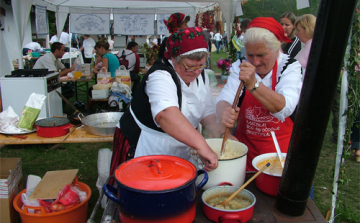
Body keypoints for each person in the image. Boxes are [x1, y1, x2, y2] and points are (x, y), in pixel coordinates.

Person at [110, 27, 223, 178]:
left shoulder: (201, 76)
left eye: (201, 65)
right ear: (175, 58)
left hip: (182, 145)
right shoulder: (160, 75)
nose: (196, 72)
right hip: (148, 146)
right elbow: (166, 115)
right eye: (190, 67)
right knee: (145, 191)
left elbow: (207, 112)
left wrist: (220, 133)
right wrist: (201, 145)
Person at [216, 17, 303, 171]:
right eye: (250, 55)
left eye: (261, 55)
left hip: (281, 156)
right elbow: (225, 98)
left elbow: (285, 108)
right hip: (246, 152)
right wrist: (224, 112)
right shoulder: (241, 65)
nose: (255, 62)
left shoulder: (289, 66)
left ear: (276, 50)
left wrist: (253, 85)